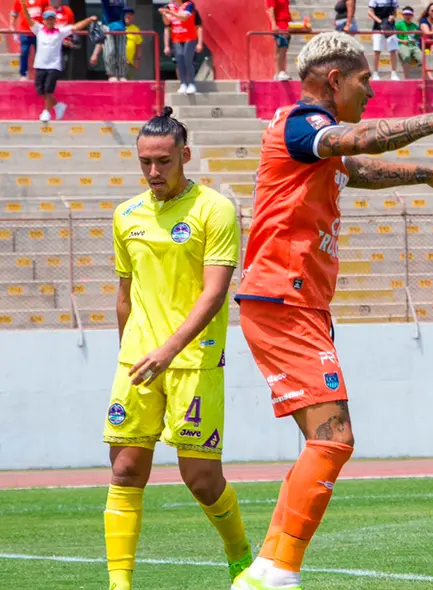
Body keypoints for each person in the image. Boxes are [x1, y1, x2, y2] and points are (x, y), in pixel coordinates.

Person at [229, 31, 433, 590]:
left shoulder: (319, 144)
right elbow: (366, 141)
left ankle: (269, 568)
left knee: (325, 442)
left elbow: (362, 169)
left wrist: (429, 173)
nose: (371, 91)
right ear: (334, 80)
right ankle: (274, 571)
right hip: (283, 297)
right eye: (365, 80)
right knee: (334, 438)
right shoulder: (300, 124)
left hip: (295, 301)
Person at [104, 107, 252, 590]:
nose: (153, 172)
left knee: (201, 479)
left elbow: (214, 293)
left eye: (163, 161)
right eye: (145, 161)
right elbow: (125, 296)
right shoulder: (125, 215)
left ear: (185, 156)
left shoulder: (215, 208)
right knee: (125, 469)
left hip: (193, 360)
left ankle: (240, 556)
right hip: (138, 362)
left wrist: (167, 349)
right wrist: (127, 355)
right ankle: (119, 584)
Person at [18, 0, 96, 121]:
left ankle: (46, 112)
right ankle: (58, 106)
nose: (50, 21)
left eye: (52, 19)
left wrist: (89, 19)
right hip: (40, 65)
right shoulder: (38, 29)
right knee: (40, 91)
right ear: (44, 21)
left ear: (55, 21)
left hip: (53, 66)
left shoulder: (60, 32)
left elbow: (76, 26)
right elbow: (28, 19)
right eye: (47, 19)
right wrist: (23, 5)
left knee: (48, 90)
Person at [160, 0, 198, 93]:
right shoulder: (170, 6)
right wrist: (164, 14)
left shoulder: (189, 5)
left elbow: (184, 17)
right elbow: (166, 23)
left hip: (189, 37)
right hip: (177, 38)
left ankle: (192, 84)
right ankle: (183, 83)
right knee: (180, 60)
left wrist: (170, 12)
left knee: (187, 59)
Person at [10, 0, 47, 81]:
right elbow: (14, 13)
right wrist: (12, 27)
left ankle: (41, 73)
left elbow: (48, 13)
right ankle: (23, 74)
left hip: (39, 32)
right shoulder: (19, 1)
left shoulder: (43, 0)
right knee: (24, 52)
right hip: (25, 31)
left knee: (41, 53)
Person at [367, 0, 399, 80]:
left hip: (390, 27)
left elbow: (395, 12)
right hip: (378, 28)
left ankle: (394, 73)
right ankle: (375, 73)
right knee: (377, 51)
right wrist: (381, 22)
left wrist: (393, 17)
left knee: (393, 50)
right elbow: (370, 12)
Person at [99, 0, 128, 81]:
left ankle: (122, 74)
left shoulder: (123, 1)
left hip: (120, 27)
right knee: (110, 51)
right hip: (107, 25)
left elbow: (124, 12)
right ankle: (111, 74)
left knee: (122, 52)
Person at [266, 0, 292, 80]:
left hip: (286, 24)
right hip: (279, 25)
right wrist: (274, 24)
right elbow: (270, 10)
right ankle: (280, 71)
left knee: (284, 49)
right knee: (281, 48)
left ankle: (279, 72)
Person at [123, 7, 142, 80]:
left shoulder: (135, 29)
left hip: (129, 63)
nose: (128, 16)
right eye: (125, 14)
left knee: (128, 85)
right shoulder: (117, 27)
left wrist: (138, 59)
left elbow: (139, 45)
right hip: (117, 64)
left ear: (133, 17)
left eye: (130, 14)